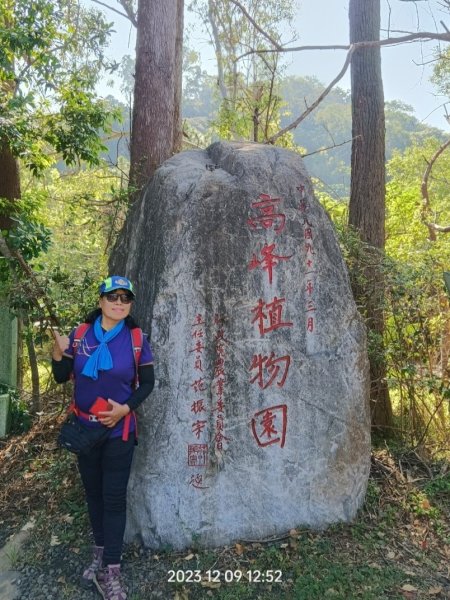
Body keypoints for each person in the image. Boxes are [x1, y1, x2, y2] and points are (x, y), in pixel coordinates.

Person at [52, 275, 155, 600]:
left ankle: (112, 569)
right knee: (93, 495)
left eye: (125, 298)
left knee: (113, 499)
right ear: (100, 301)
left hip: (118, 433)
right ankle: (98, 551)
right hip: (85, 430)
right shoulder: (80, 336)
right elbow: (59, 377)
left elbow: (148, 383)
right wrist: (58, 353)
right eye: (113, 297)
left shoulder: (136, 339)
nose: (119, 303)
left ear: (130, 305)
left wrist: (124, 409)